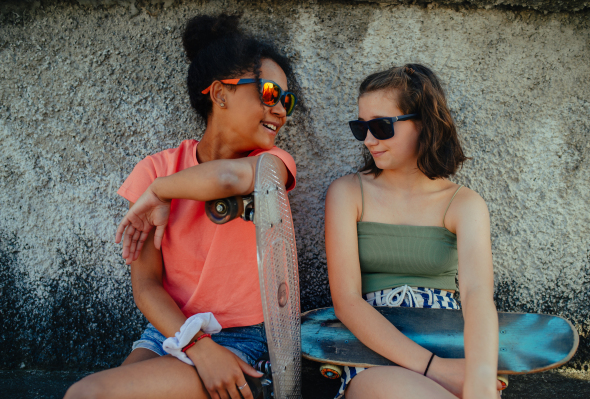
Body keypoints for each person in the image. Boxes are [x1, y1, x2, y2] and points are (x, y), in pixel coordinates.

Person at [65, 13, 298, 399]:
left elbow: (225, 180)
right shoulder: (156, 168)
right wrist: (196, 346)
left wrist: (160, 192)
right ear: (221, 94)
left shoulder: (272, 166)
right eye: (271, 93)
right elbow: (146, 287)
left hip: (245, 341)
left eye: (286, 100)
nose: (281, 110)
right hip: (168, 331)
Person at [325, 64, 500, 399]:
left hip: (448, 342)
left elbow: (477, 295)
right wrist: (435, 368)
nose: (369, 140)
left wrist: (479, 375)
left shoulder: (464, 204)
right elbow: (346, 301)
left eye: (380, 126)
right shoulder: (348, 193)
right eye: (360, 127)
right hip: (374, 357)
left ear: (423, 123)